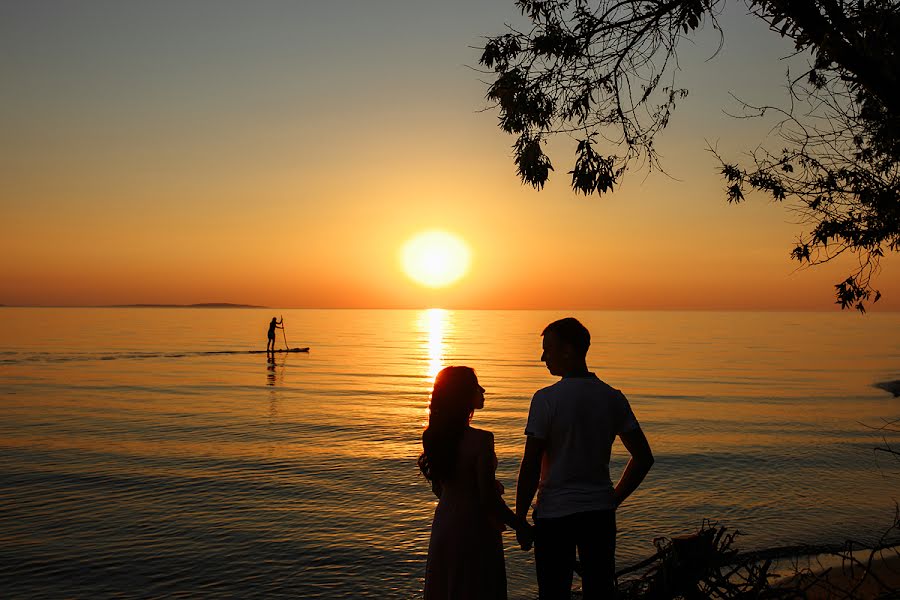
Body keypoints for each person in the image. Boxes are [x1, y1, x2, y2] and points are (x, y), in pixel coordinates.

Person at [515, 317, 654, 600]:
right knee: (600, 590)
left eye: (548, 349)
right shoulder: (612, 397)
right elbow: (643, 457)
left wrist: (519, 518)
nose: (543, 357)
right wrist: (614, 498)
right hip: (599, 515)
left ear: (568, 350)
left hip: (555, 516)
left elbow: (530, 465)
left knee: (553, 593)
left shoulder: (546, 399)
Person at [419, 366, 531, 600]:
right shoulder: (481, 440)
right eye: (476, 385)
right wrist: (520, 525)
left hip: (445, 524)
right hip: (475, 528)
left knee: (449, 586)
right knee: (478, 587)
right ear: (462, 393)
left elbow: (440, 489)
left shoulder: (432, 437)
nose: (482, 390)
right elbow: (487, 499)